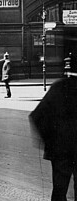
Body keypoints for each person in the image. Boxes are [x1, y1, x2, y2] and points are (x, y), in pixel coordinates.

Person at [29, 70, 77, 200]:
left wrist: (50, 141)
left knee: (59, 191)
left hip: (60, 151)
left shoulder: (59, 87)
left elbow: (36, 116)